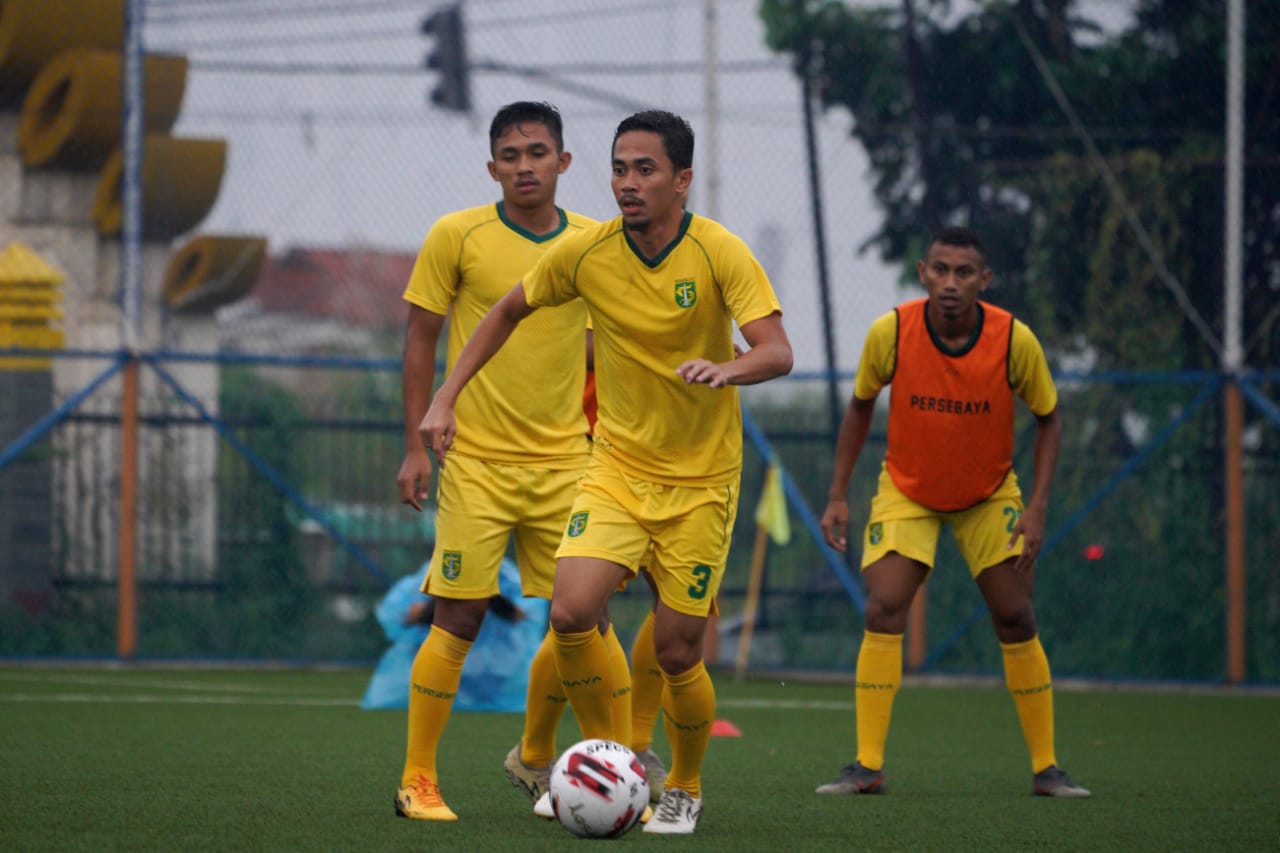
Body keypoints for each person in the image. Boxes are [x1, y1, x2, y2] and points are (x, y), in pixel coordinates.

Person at [421, 109, 793, 835]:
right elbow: (505, 310)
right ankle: (612, 758)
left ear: (681, 180)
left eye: (645, 169)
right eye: (619, 168)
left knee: (681, 644)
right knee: (570, 611)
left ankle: (683, 784)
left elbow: (777, 350)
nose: (627, 183)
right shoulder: (587, 252)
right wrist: (445, 395)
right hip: (616, 467)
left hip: (700, 482)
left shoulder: (719, 252)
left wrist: (728, 368)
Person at [393, 101, 637, 823]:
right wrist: (414, 442)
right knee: (458, 615)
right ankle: (418, 780)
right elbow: (418, 340)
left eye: (538, 152)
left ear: (564, 162)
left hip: (570, 462)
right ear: (492, 166)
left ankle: (614, 772)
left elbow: (613, 345)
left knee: (583, 617)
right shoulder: (456, 235)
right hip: (475, 461)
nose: (524, 165)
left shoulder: (598, 243)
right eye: (510, 154)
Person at [815, 226, 1090, 799]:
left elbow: (1049, 418)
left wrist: (1036, 507)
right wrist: (838, 493)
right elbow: (861, 406)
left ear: (984, 282)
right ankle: (867, 766)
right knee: (884, 606)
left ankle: (1047, 769)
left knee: (1016, 617)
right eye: (940, 270)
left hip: (989, 494)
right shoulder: (891, 331)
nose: (950, 283)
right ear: (922, 273)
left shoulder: (1014, 340)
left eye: (964, 273)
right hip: (907, 489)